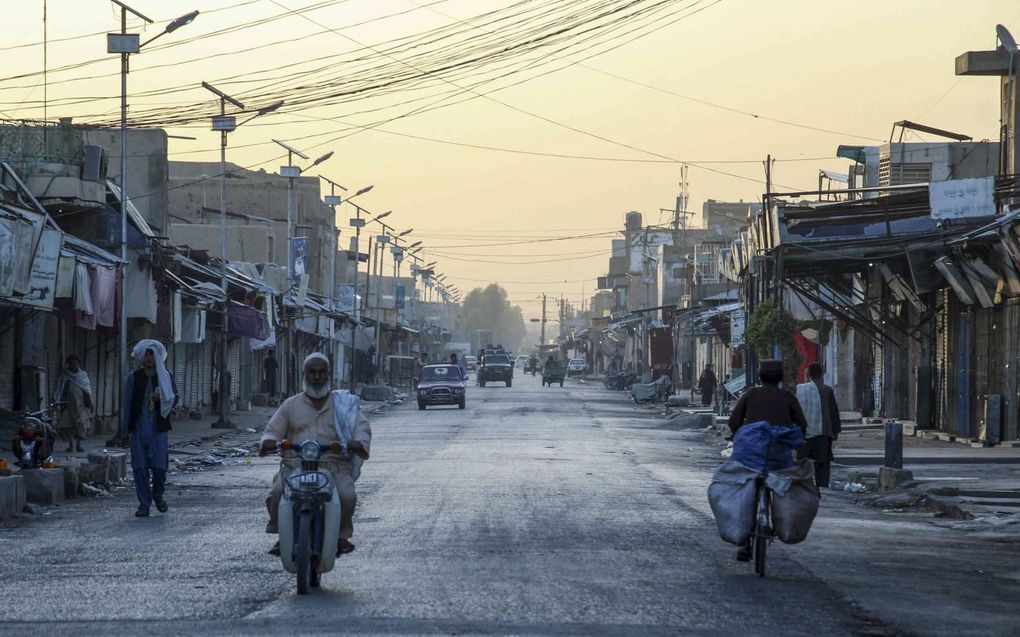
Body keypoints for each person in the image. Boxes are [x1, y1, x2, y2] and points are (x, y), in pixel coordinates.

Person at [260, 353, 371, 556]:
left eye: (322, 372)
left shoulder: (343, 404)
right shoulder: (291, 404)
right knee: (277, 493)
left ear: (328, 375)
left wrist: (358, 443)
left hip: (333, 465)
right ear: (305, 374)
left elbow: (360, 426)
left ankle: (341, 536)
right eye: (312, 372)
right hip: (296, 465)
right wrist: (268, 441)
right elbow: (273, 429)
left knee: (347, 495)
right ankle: (281, 534)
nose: (317, 377)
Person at [726, 359, 807, 562]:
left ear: (760, 377)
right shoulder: (787, 397)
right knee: (787, 485)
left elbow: (734, 421)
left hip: (751, 455)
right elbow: (802, 424)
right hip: (777, 455)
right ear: (781, 378)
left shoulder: (751, 394)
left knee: (743, 491)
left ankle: (744, 542)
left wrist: (740, 436)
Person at [123, 340, 179, 518]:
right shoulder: (134, 377)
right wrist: (126, 430)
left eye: (151, 355)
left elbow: (174, 398)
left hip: (158, 428)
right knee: (139, 468)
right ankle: (144, 504)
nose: (148, 359)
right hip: (139, 428)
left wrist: (160, 398)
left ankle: (158, 496)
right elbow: (128, 403)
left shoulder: (166, 376)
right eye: (146, 355)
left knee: (159, 467)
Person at [795, 362, 841, 489]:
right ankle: (822, 487)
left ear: (808, 374)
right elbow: (834, 412)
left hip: (805, 433)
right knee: (823, 464)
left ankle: (803, 487)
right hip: (823, 433)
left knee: (803, 462)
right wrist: (835, 431)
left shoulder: (800, 389)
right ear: (821, 375)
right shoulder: (827, 390)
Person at [54, 354, 93, 452]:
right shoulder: (64, 375)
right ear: (68, 364)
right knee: (68, 426)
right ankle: (71, 445)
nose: (74, 365)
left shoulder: (83, 375)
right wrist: (58, 403)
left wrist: (90, 403)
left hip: (81, 405)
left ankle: (79, 445)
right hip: (67, 405)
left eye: (75, 363)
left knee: (81, 425)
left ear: (79, 364)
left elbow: (87, 390)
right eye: (71, 363)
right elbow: (59, 389)